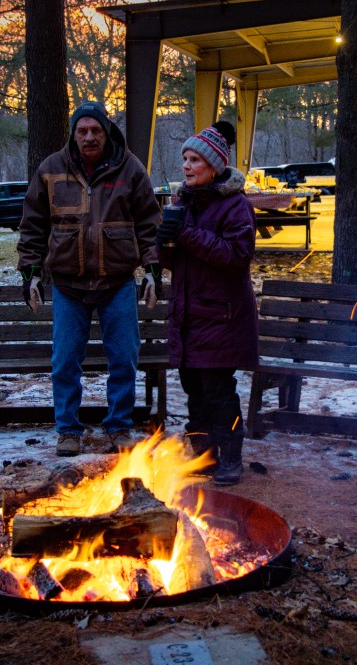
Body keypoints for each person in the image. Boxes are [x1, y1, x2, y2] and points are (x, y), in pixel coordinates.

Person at [17, 100, 162, 457]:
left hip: (117, 283)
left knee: (124, 357)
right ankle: (68, 430)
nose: (89, 137)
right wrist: (32, 273)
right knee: (65, 361)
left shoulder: (130, 168)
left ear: (106, 131)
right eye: (82, 131)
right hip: (68, 285)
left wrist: (153, 270)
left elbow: (149, 223)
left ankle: (119, 425)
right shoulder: (51, 169)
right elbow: (33, 224)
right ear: (73, 134)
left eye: (95, 130)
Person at [157, 126, 258, 486]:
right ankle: (203, 456)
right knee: (193, 390)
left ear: (214, 166)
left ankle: (231, 458)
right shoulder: (184, 203)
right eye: (185, 158)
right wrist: (165, 244)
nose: (186, 166)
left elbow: (237, 255)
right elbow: (174, 262)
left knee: (217, 390)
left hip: (221, 317)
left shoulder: (236, 206)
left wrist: (185, 233)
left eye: (194, 159)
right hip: (188, 315)